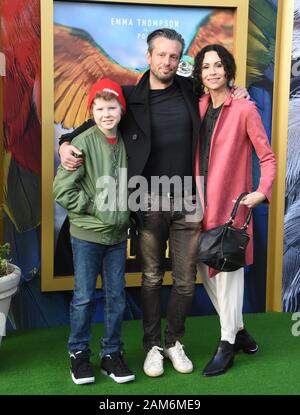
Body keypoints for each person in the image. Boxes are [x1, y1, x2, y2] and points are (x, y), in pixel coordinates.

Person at [59, 29, 249, 378]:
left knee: (184, 281)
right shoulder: (131, 97)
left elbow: (222, 97)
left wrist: (238, 90)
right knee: (149, 278)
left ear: (180, 61)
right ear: (148, 57)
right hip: (148, 200)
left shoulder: (192, 91)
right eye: (161, 55)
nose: (167, 61)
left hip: (189, 199)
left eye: (174, 56)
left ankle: (174, 341)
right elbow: (95, 121)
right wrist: (65, 142)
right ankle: (151, 347)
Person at [192, 44, 276, 376]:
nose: (212, 72)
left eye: (218, 65)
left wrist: (260, 192)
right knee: (204, 269)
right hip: (197, 204)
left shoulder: (244, 109)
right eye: (206, 67)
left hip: (231, 208)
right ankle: (238, 330)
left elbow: (267, 158)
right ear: (200, 74)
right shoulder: (196, 106)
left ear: (228, 70)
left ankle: (226, 344)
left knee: (228, 276)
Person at [53, 79, 135, 385]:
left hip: (117, 238)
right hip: (87, 235)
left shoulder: (127, 142)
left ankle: (111, 354)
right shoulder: (82, 142)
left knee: (116, 298)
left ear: (121, 110)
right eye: (99, 109)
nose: (106, 114)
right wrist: (94, 206)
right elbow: (62, 189)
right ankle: (78, 353)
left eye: (112, 107)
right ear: (92, 111)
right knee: (85, 297)